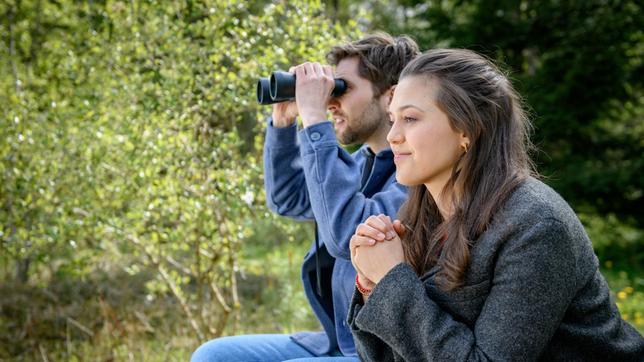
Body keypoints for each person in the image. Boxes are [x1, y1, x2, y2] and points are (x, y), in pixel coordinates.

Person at [347, 48, 644, 361]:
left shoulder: (537, 226)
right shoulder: (425, 217)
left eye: (410, 118)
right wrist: (373, 287)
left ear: (468, 130)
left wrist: (393, 279)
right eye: (392, 119)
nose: (393, 136)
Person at [191, 33, 420, 361]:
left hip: (378, 349)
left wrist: (315, 121)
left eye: (341, 89)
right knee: (212, 355)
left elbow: (346, 234)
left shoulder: (416, 177)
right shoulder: (360, 162)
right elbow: (289, 198)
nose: (330, 103)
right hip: (335, 338)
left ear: (390, 97)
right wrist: (283, 121)